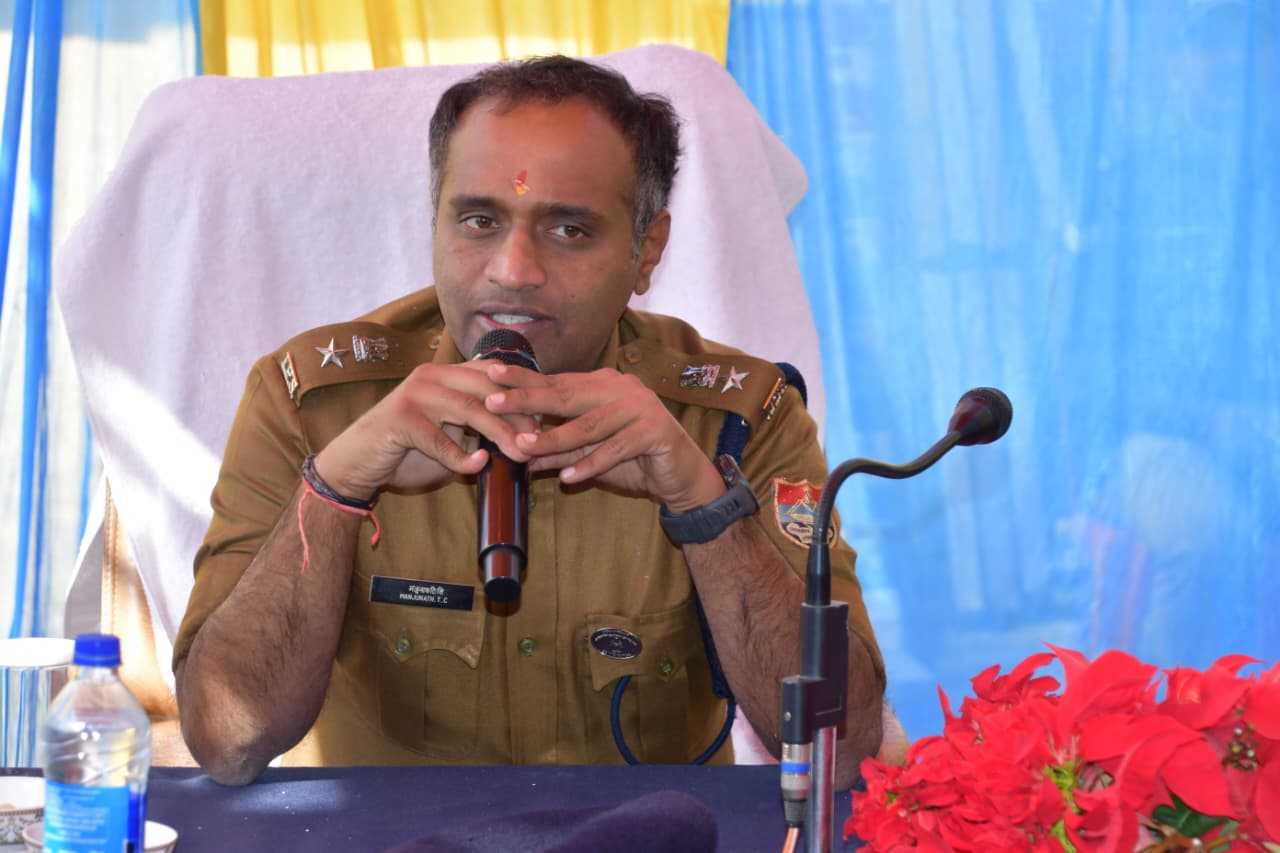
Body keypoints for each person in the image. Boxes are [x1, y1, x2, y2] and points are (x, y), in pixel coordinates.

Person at [172, 55, 886, 787]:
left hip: (651, 834)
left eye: (569, 229)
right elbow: (227, 739)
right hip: (388, 837)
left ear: (647, 249)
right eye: (479, 220)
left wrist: (707, 509)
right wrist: (334, 491)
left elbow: (843, 751)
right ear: (435, 221)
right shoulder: (314, 403)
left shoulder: (738, 419)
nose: (512, 271)